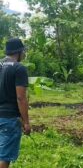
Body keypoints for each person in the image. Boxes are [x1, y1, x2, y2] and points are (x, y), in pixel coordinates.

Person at [0, 38, 31, 168]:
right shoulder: (19, 68)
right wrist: (26, 122)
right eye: (23, 51)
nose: (24, 54)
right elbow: (21, 98)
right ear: (19, 52)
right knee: (4, 157)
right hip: (9, 118)